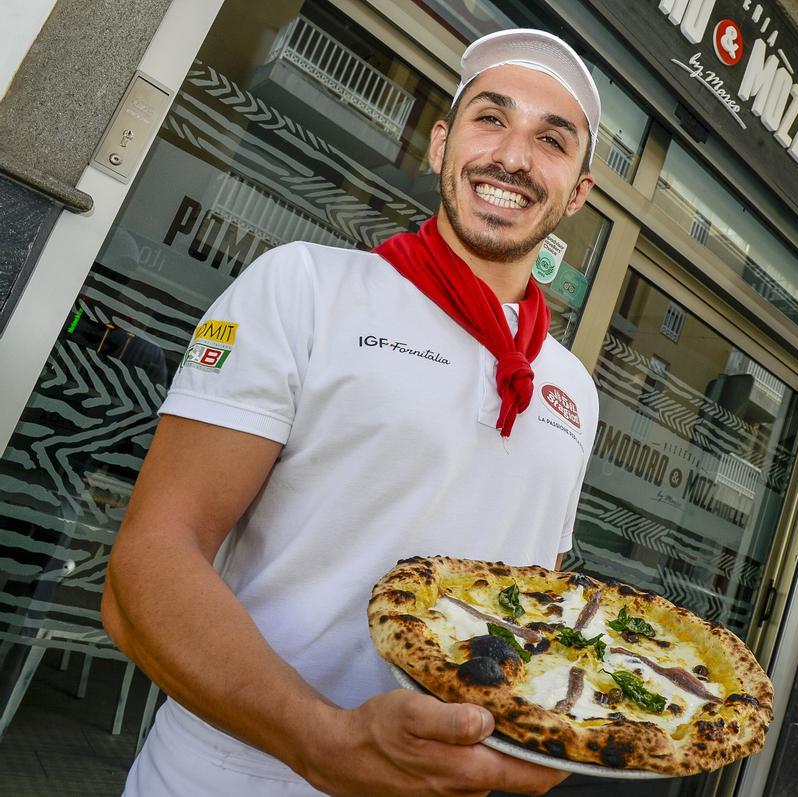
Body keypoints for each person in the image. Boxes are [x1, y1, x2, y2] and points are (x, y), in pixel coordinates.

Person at [101, 28, 601, 796]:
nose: (512, 156)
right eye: (490, 119)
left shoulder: (574, 389)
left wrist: (540, 748)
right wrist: (322, 741)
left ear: (578, 192)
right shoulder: (305, 287)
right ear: (440, 144)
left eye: (551, 140)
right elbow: (145, 568)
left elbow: (534, 610)